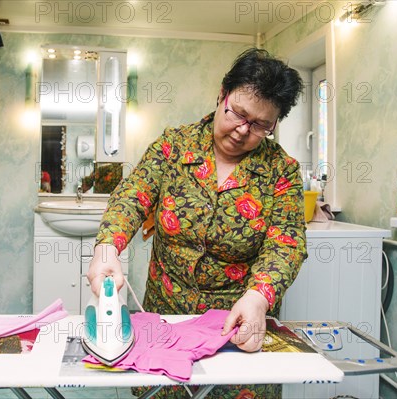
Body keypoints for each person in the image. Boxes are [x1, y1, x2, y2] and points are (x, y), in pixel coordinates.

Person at [87, 48, 307, 399]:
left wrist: (259, 297)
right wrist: (107, 247)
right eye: (238, 113)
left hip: (238, 322)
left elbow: (286, 243)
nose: (243, 130)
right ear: (222, 94)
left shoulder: (282, 171)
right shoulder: (173, 147)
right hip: (165, 320)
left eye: (261, 125)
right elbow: (132, 196)